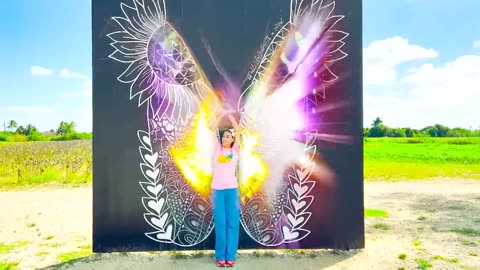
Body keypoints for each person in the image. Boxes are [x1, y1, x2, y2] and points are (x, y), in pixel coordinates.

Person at [210, 112, 241, 267]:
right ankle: (220, 256)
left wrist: (230, 118)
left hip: (232, 191)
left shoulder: (235, 150)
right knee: (221, 224)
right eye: (223, 136)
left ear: (233, 139)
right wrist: (220, 117)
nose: (224, 138)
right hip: (217, 191)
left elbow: (238, 132)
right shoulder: (216, 149)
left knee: (233, 224)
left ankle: (231, 256)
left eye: (228, 136)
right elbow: (211, 130)